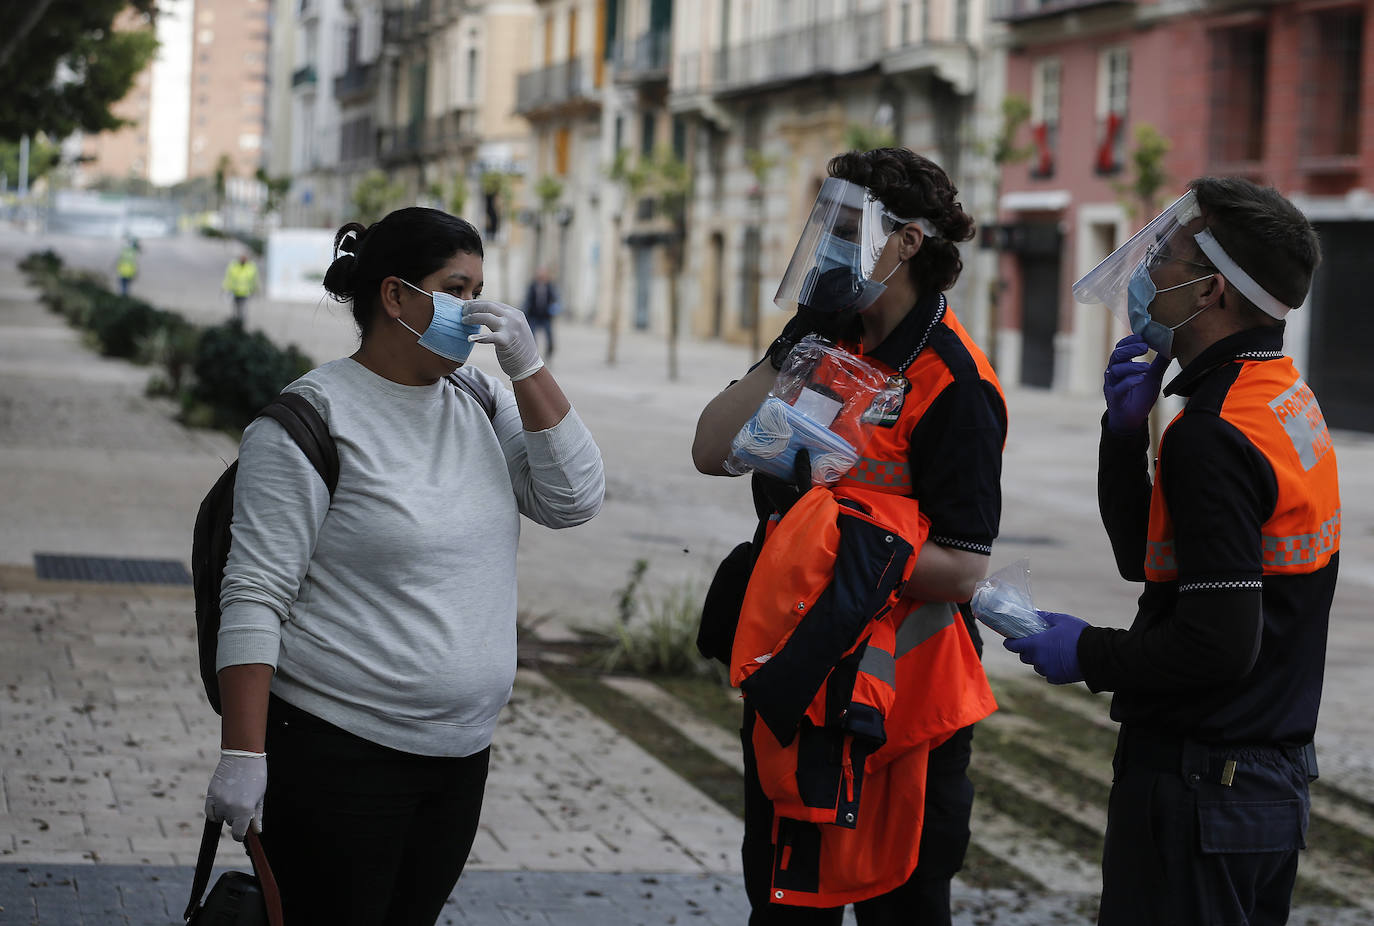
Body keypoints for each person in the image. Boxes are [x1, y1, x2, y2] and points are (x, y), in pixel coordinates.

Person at [202, 207, 605, 925]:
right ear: (395, 297)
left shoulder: (479, 400)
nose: (475, 310)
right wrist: (243, 752)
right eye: (455, 289)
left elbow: (573, 498)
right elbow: (255, 594)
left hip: (459, 758)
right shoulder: (308, 421)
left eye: (481, 288)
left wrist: (528, 366)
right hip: (339, 756)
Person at [1005, 177, 1338, 926]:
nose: (1146, 271)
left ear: (1209, 290)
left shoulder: (1213, 436)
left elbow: (1217, 645)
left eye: (1164, 257)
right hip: (1263, 790)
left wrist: (1086, 651)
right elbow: (1149, 557)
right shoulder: (1281, 396)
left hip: (1202, 790)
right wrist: (1123, 440)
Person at [692, 147, 1007, 925]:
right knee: (785, 905)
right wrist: (796, 342)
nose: (826, 241)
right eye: (822, 223)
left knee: (901, 903)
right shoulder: (829, 346)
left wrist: (830, 550)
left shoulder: (955, 383)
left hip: (897, 701)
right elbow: (710, 449)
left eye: (844, 226)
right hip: (798, 679)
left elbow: (964, 570)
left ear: (905, 242)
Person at [522, 266, 559, 357]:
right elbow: (527, 300)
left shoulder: (550, 286)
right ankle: (533, 353)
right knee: (532, 336)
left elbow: (554, 298)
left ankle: (549, 351)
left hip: (545, 316)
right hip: (534, 315)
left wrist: (554, 308)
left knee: (549, 335)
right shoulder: (532, 286)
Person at [223, 253, 259, 323]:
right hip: (235, 291)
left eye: (244, 258)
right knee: (236, 308)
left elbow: (255, 279)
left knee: (243, 309)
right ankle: (236, 322)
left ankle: (242, 322)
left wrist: (255, 289)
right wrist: (225, 288)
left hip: (246, 292)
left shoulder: (251, 267)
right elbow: (228, 278)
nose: (243, 259)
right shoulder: (234, 266)